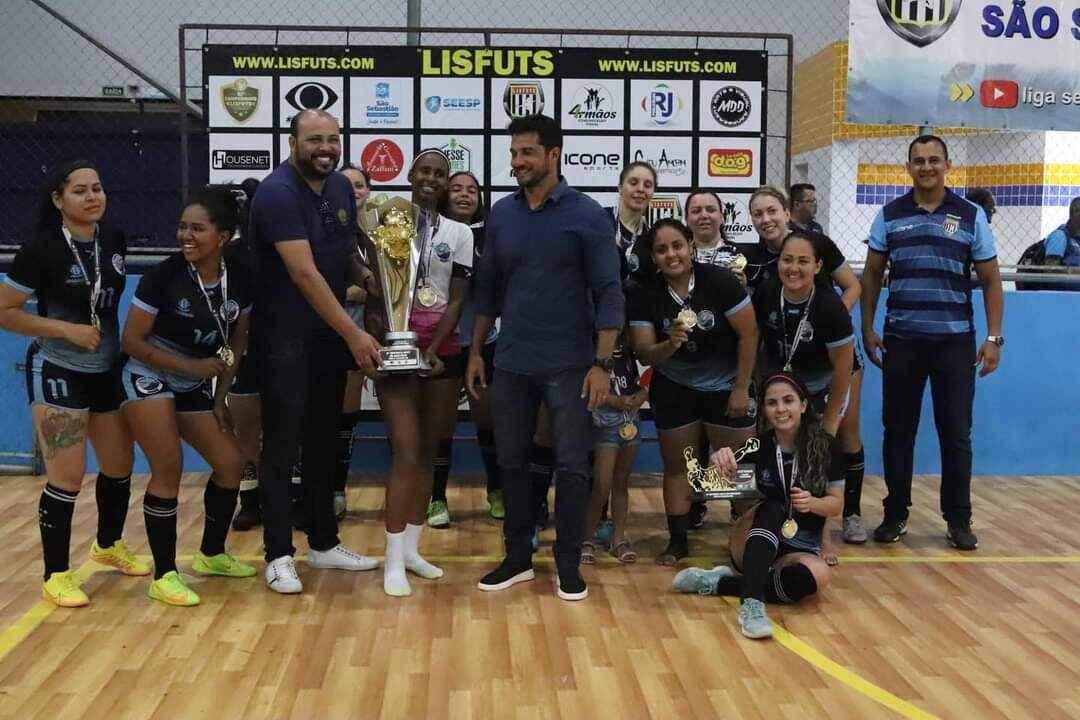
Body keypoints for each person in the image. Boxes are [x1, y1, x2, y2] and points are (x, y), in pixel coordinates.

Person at [468, 113, 623, 602]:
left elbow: (609, 291)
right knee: (511, 461)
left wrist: (602, 363)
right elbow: (487, 288)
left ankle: (568, 564)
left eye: (527, 153)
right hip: (511, 361)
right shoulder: (502, 214)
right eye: (513, 154)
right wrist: (475, 350)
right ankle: (517, 559)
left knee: (573, 465)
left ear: (554, 154)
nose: (517, 162)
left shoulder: (587, 214)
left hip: (572, 363)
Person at [247, 108, 382, 594]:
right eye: (314, 140)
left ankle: (324, 544)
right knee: (283, 448)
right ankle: (278, 554)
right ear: (292, 143)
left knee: (324, 442)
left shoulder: (342, 187)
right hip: (284, 339)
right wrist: (354, 333)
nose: (325, 148)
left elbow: (342, 248)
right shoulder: (277, 193)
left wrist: (365, 275)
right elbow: (304, 273)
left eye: (333, 139)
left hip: (327, 339)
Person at [0, 160, 146, 607]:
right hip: (58, 370)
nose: (92, 197)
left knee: (120, 466)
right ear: (58, 199)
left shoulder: (114, 239)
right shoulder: (41, 249)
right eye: (80, 190)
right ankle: (55, 574)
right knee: (68, 473)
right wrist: (66, 331)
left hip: (106, 369)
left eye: (97, 188)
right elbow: (5, 312)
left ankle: (107, 546)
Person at [861, 134, 1004, 551]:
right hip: (901, 342)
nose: (926, 167)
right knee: (897, 432)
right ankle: (895, 515)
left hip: (955, 345)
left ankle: (958, 520)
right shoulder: (889, 215)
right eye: (919, 161)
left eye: (934, 160)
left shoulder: (970, 215)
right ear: (909, 167)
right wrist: (868, 328)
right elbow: (871, 276)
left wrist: (994, 338)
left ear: (947, 165)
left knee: (956, 433)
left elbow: (992, 280)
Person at [120, 187, 256, 605]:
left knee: (231, 464)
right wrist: (194, 369)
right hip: (149, 374)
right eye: (182, 227)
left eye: (198, 228)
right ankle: (164, 576)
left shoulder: (240, 275)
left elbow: (237, 340)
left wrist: (219, 398)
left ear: (224, 236)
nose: (186, 236)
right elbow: (131, 341)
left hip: (196, 381)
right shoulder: (163, 275)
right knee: (168, 468)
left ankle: (212, 554)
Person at [626, 219, 758, 566]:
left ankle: (747, 539)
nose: (671, 254)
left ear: (691, 246)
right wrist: (668, 345)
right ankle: (678, 541)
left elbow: (750, 335)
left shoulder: (721, 282)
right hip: (674, 387)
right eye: (661, 249)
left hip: (727, 387)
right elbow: (642, 352)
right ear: (653, 257)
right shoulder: (645, 293)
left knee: (739, 467)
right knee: (678, 466)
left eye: (677, 246)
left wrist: (742, 387)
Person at [672, 373, 843, 640]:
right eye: (772, 403)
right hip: (755, 538)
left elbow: (836, 505)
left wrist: (814, 503)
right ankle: (751, 605)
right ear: (764, 409)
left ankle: (720, 583)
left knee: (814, 578)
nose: (781, 409)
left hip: (801, 544)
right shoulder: (757, 446)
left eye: (788, 401)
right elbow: (712, 479)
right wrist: (720, 457)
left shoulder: (827, 447)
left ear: (803, 405)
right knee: (773, 507)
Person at [370, 149, 472, 596]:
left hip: (441, 352)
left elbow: (457, 298)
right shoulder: (390, 223)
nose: (431, 179)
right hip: (396, 351)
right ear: (410, 176)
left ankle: (412, 550)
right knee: (406, 452)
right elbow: (379, 295)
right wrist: (387, 339)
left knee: (430, 450)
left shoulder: (461, 232)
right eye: (424, 171)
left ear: (447, 183)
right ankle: (392, 561)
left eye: (439, 174)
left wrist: (432, 348)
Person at [743, 186, 866, 552]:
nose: (792, 268)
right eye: (757, 213)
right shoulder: (765, 286)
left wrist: (829, 419)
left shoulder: (828, 303)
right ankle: (776, 522)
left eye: (772, 211)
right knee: (787, 446)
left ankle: (838, 524)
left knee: (832, 442)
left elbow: (843, 368)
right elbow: (757, 340)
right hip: (790, 378)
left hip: (831, 374)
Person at [430, 170, 503, 525]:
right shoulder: (430, 234)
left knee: (487, 419)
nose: (463, 195)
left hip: (484, 340)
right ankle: (436, 498)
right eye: (456, 189)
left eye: (471, 190)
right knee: (441, 422)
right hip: (443, 341)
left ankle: (496, 490)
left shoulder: (492, 236)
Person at [581, 335, 645, 564]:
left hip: (631, 421)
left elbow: (642, 380)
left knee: (621, 482)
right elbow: (586, 385)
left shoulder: (630, 347)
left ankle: (618, 539)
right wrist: (611, 400)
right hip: (604, 421)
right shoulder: (591, 348)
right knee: (601, 484)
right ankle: (586, 539)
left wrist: (639, 396)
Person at [333, 163, 374, 519]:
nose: (354, 191)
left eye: (360, 185)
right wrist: (351, 291)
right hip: (322, 335)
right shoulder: (324, 229)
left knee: (347, 418)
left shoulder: (383, 233)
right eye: (347, 185)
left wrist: (366, 294)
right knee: (317, 418)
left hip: (363, 337)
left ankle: (337, 490)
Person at [1043, 196, 1080, 268]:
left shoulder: (1077, 240)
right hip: (1062, 279)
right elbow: (1050, 270)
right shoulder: (1059, 236)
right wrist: (1075, 272)